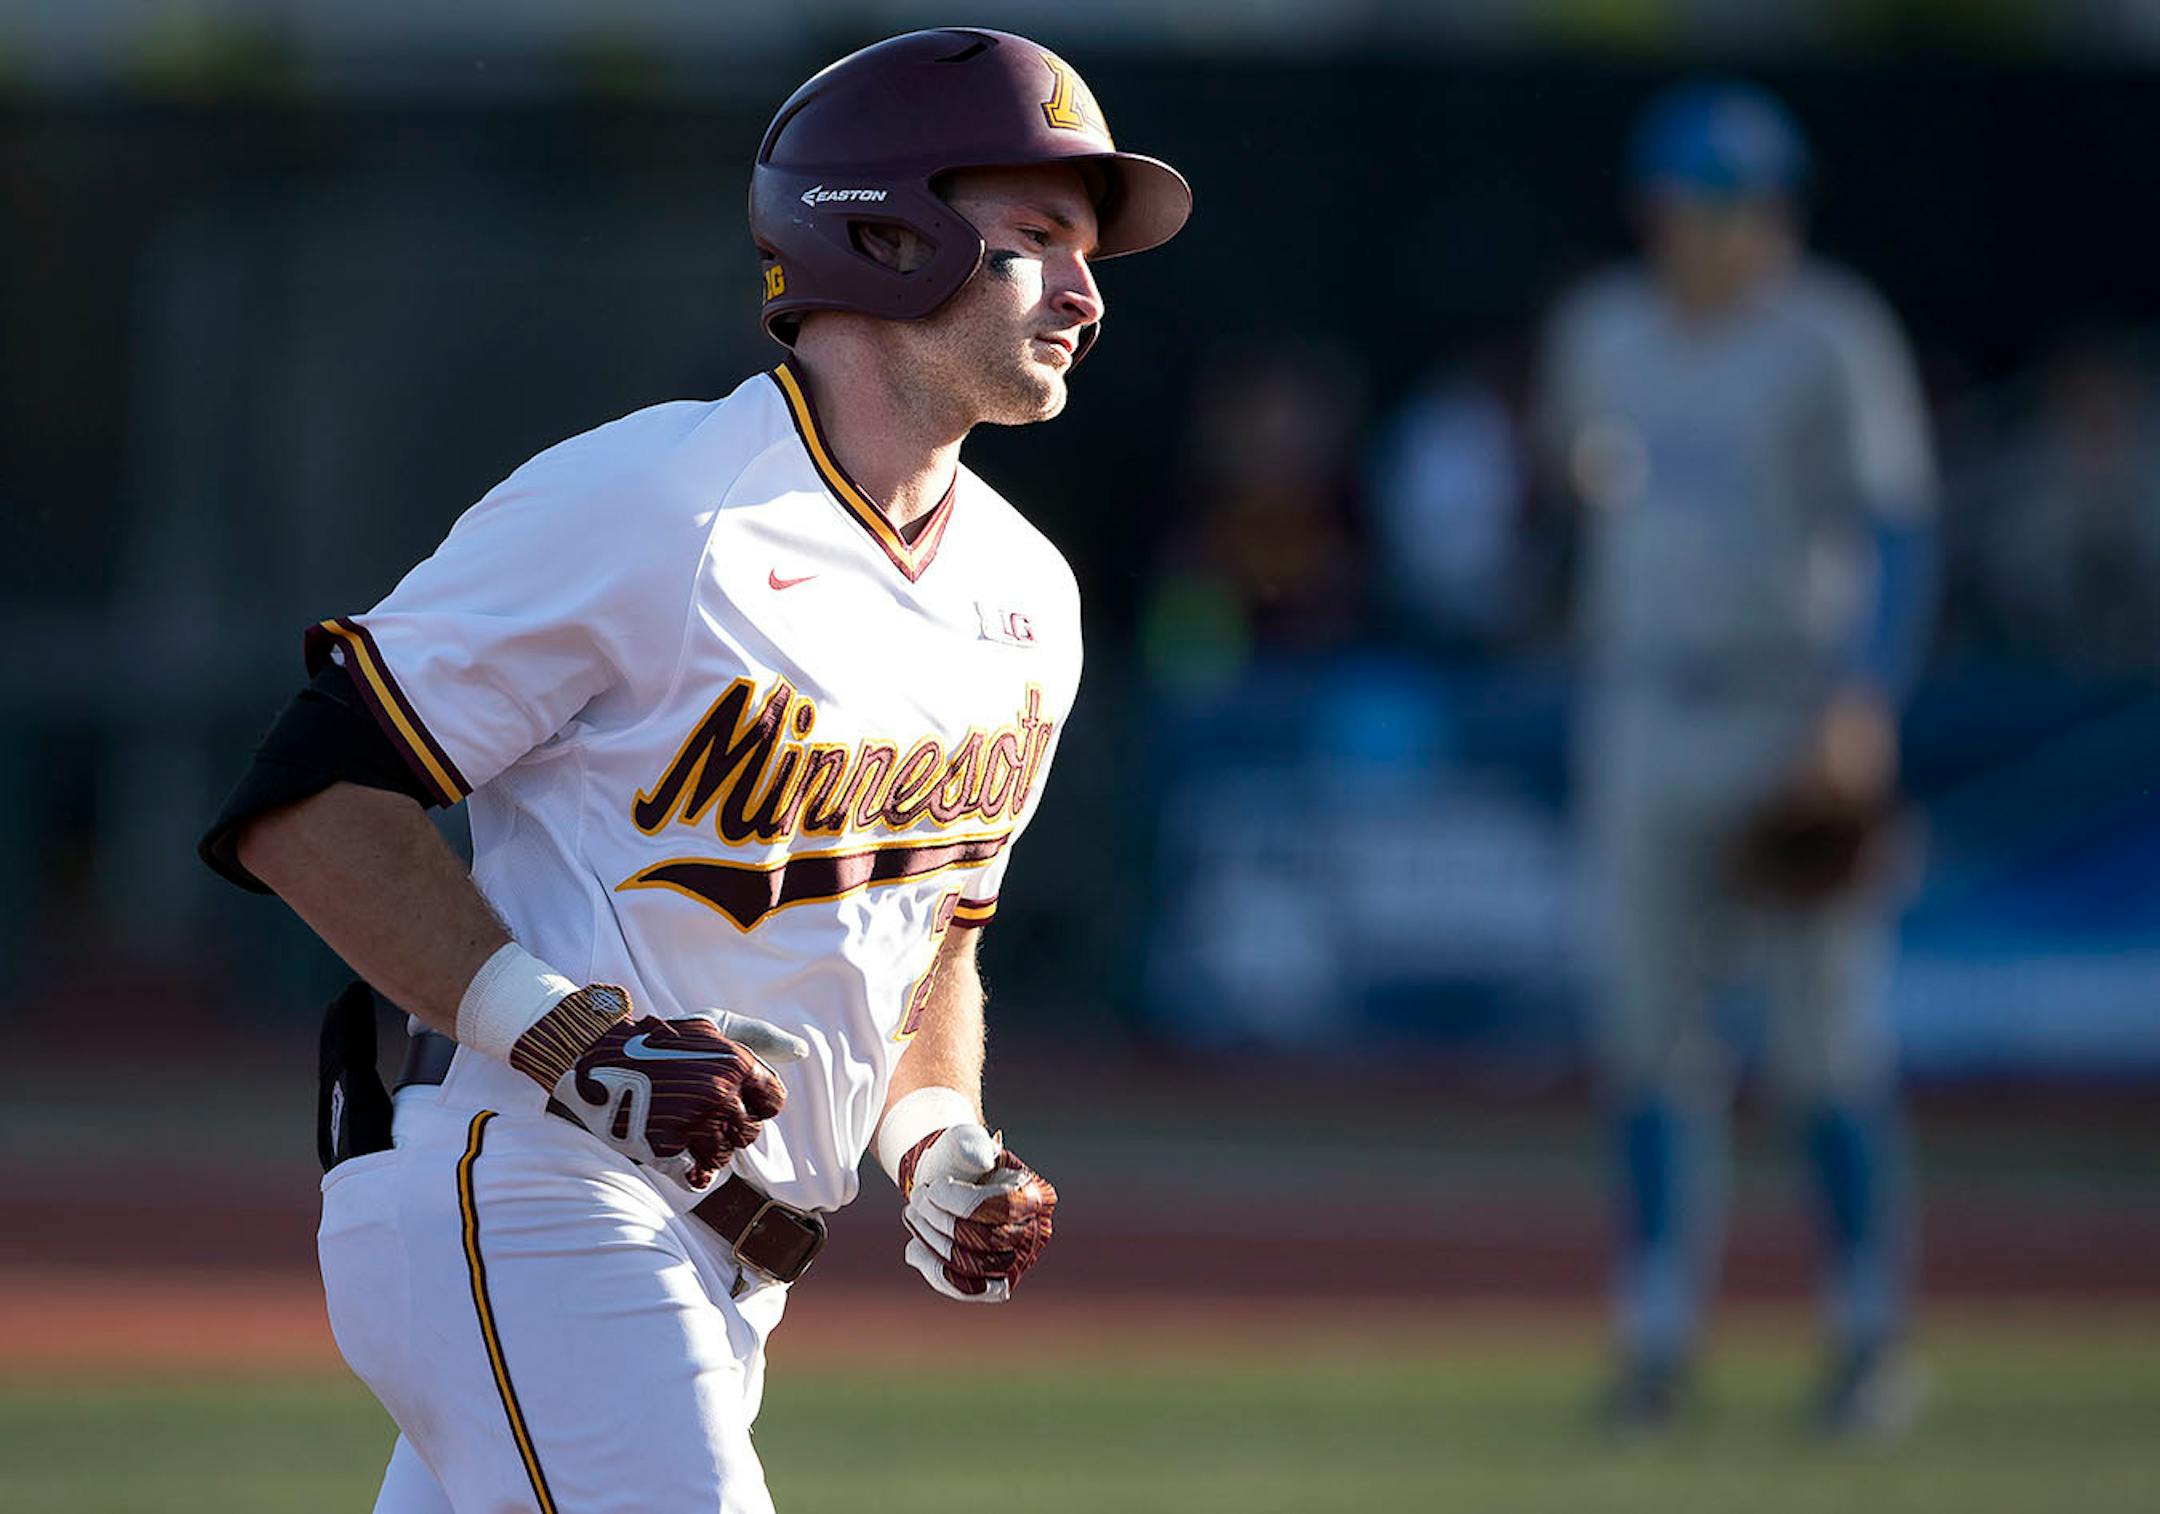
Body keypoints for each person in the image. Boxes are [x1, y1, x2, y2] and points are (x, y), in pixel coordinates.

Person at [197, 29, 1188, 1512]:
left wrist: (936, 1138)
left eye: (1089, 251)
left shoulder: (1030, 594)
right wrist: (567, 1033)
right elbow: (309, 802)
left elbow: (929, 939)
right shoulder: (659, 498)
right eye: (1038, 237)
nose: (1088, 292)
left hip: (731, 1262)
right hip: (530, 1184)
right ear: (884, 228)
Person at [1536, 81, 1937, 1435]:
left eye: (1734, 206)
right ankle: (1656, 1340)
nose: (1709, 231)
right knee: (1648, 1043)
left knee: (1827, 1047)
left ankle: (1870, 1337)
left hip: (1790, 707)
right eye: (1690, 205)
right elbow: (1581, 504)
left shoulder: (1829, 335)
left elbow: (1898, 532)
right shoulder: (1605, 332)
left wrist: (1863, 702)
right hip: (1644, 705)